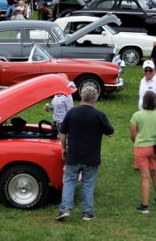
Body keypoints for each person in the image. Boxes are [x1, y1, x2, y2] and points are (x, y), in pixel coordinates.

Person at [56, 84, 114, 222]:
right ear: (96, 98)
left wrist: (64, 148)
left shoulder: (72, 113)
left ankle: (65, 209)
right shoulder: (99, 115)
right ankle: (87, 213)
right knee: (88, 184)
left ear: (81, 96)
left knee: (69, 181)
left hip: (73, 155)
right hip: (91, 157)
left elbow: (63, 132)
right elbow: (111, 133)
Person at [130, 90, 156, 214]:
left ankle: (144, 206)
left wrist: (139, 140)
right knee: (155, 173)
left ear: (144, 101)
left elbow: (133, 135)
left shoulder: (137, 116)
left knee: (145, 176)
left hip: (141, 148)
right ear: (154, 101)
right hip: (155, 149)